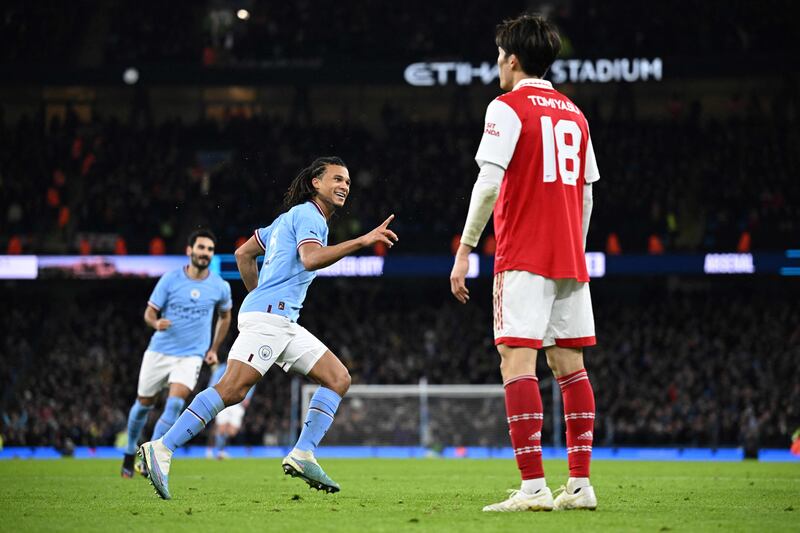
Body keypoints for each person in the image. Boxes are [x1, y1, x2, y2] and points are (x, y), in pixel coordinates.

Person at [139, 156, 398, 500]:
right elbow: (310, 258)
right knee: (231, 389)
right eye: (337, 179)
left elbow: (243, 253)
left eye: (348, 182)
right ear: (315, 183)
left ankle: (303, 453)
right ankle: (162, 448)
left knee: (338, 378)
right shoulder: (309, 215)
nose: (344, 186)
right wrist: (362, 242)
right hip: (271, 317)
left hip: (280, 320)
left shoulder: (285, 220)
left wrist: (259, 296)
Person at [449, 14, 600, 512]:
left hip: (524, 255)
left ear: (512, 60)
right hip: (568, 257)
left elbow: (488, 183)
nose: (497, 65)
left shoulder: (507, 107)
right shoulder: (575, 115)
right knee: (570, 365)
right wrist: (574, 247)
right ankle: (579, 485)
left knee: (517, 360)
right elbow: (586, 196)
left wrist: (466, 247)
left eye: (499, 57)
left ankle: (533, 486)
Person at [121, 229, 232, 478]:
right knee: (143, 405)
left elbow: (226, 317)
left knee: (175, 405)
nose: (205, 253)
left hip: (191, 356)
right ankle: (129, 451)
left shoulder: (220, 286)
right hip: (159, 352)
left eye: (210, 250)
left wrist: (213, 348)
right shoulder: (170, 280)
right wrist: (155, 323)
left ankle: (149, 455)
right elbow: (149, 313)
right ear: (189, 250)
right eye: (201, 248)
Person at [205, 362, 255, 459]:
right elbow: (213, 381)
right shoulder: (223, 368)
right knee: (221, 428)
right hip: (224, 400)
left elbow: (251, 382)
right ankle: (213, 450)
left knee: (232, 432)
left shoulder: (246, 367)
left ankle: (221, 449)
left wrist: (248, 397)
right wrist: (213, 395)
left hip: (238, 402)